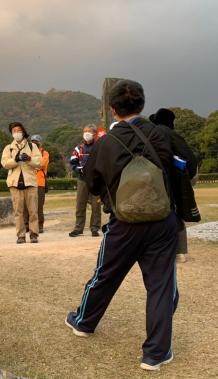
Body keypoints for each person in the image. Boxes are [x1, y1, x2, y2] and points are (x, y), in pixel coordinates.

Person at [65, 79, 178, 371]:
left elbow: (90, 179)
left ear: (113, 110)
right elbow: (185, 166)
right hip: (161, 220)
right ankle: (155, 353)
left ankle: (84, 321)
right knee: (161, 286)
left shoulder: (105, 143)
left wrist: (108, 195)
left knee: (105, 275)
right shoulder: (162, 134)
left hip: (123, 221)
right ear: (142, 104)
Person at [149, 108, 198, 264]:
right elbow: (189, 159)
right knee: (177, 213)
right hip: (177, 180)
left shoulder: (151, 134)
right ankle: (180, 252)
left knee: (157, 214)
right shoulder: (173, 135)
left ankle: (157, 250)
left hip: (157, 181)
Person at [1, 122, 42, 243]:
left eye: (19, 130)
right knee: (18, 211)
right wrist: (16, 159)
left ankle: (34, 234)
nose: (17, 133)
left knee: (33, 210)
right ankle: (21, 235)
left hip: (30, 182)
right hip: (15, 183)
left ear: (23, 132)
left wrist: (29, 159)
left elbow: (39, 162)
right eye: (14, 131)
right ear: (12, 133)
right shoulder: (8, 148)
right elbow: (5, 163)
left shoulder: (31, 146)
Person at [68, 124, 102, 237]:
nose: (86, 133)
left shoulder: (100, 147)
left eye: (89, 131)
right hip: (82, 179)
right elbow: (73, 162)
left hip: (96, 180)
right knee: (80, 204)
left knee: (96, 206)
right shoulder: (79, 148)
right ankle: (78, 228)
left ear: (95, 134)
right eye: (84, 131)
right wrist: (78, 169)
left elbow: (104, 162)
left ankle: (95, 228)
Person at [23, 135, 50, 233]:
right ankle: (26, 225)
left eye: (36, 142)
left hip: (40, 182)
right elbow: (25, 165)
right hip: (28, 181)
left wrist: (31, 163)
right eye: (33, 141)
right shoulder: (26, 152)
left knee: (39, 206)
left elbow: (42, 164)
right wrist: (34, 164)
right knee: (26, 205)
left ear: (40, 143)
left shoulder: (44, 153)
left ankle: (40, 225)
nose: (34, 143)